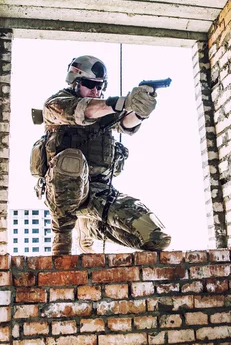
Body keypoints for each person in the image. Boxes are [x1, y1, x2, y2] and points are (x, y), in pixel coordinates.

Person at [42, 55, 171, 255]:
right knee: (71, 161)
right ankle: (63, 238)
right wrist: (125, 101)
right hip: (62, 192)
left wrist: (141, 110)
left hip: (99, 193)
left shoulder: (105, 110)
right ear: (74, 82)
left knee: (156, 237)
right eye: (89, 84)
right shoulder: (56, 104)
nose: (96, 91)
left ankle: (87, 228)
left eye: (100, 86)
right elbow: (85, 111)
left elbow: (126, 122)